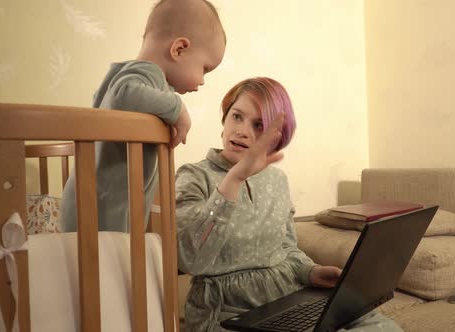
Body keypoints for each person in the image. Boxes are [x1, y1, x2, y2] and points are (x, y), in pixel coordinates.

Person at [175, 77, 344, 331]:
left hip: (286, 296)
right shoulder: (193, 176)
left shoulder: (277, 179)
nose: (242, 130)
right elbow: (190, 259)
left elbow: (286, 246)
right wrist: (234, 178)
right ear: (224, 120)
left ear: (275, 138)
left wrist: (310, 272)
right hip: (225, 310)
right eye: (237, 116)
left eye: (259, 125)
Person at [61, 0, 226, 233]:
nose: (202, 80)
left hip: (93, 205)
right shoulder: (146, 74)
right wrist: (177, 108)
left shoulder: (127, 74)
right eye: (205, 68)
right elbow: (123, 94)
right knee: (108, 266)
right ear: (179, 49)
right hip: (100, 208)